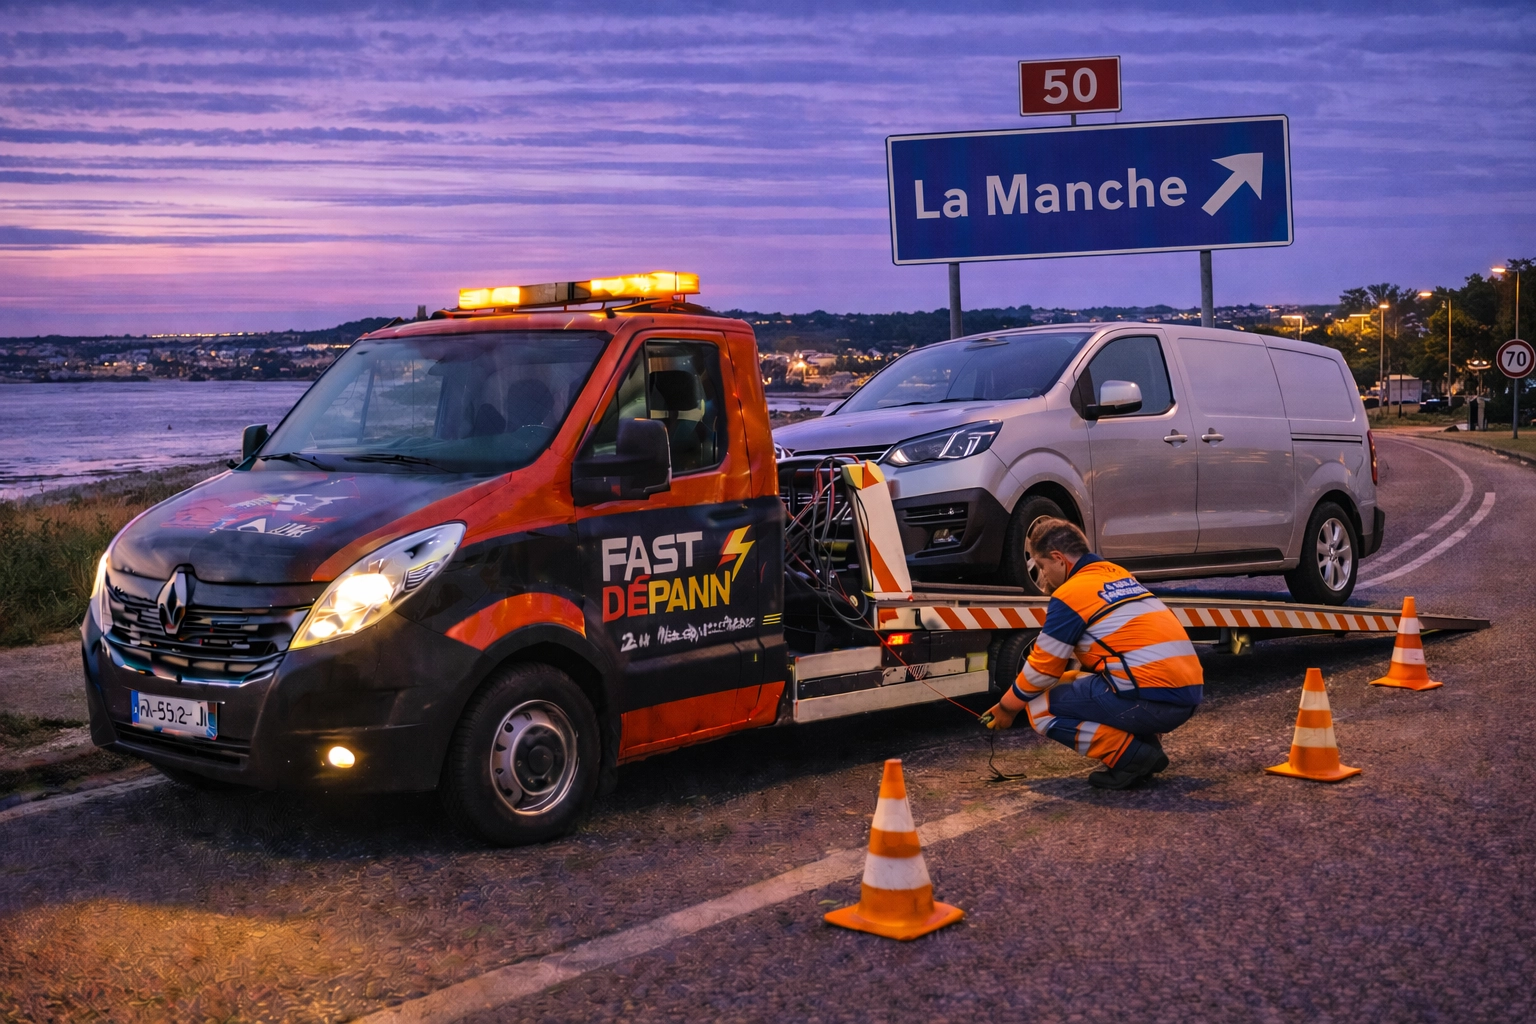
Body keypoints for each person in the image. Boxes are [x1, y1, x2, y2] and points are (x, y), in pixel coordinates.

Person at [982, 517, 1203, 789]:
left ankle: (1130, 757)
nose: (1043, 578)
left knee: (1039, 707)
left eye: (1042, 566)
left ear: (1059, 559)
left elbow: (1042, 670)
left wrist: (1007, 708)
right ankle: (1147, 749)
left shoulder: (1071, 593)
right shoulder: (1117, 575)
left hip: (1153, 702)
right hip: (1186, 696)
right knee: (1072, 678)